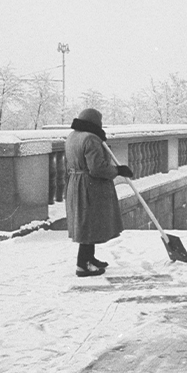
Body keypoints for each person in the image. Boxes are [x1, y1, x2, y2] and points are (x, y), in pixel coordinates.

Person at [65, 108, 133, 277]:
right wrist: (117, 171)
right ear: (94, 122)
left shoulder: (73, 136)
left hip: (76, 183)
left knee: (88, 221)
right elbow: (96, 168)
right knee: (89, 222)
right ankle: (83, 264)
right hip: (90, 186)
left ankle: (90, 258)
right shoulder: (90, 139)